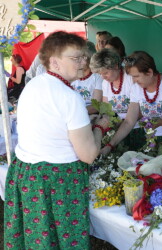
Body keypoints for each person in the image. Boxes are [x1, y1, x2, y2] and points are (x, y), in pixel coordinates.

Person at [4, 31, 109, 249]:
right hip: (59, 178)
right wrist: (100, 127)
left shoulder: (34, 85)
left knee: (39, 238)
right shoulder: (70, 97)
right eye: (76, 58)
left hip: (28, 172)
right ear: (54, 62)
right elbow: (88, 155)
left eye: (84, 57)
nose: (83, 63)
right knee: (65, 238)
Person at [101, 51, 162, 160]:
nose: (133, 80)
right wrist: (110, 145)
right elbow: (129, 121)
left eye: (136, 76)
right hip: (151, 140)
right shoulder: (136, 88)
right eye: (131, 77)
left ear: (149, 72)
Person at [90, 48, 143, 150]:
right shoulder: (105, 83)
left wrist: (120, 123)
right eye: (100, 74)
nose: (102, 77)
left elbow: (141, 110)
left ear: (115, 66)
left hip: (138, 129)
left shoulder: (131, 78)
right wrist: (105, 120)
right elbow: (106, 109)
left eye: (105, 73)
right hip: (117, 131)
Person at [71, 41, 103, 114]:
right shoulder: (71, 76)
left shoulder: (97, 77)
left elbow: (96, 106)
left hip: (90, 114)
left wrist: (75, 112)